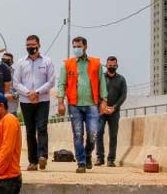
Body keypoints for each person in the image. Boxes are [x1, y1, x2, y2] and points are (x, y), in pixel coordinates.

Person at [57, 37, 107, 173]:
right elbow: (61, 84)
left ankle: (87, 153)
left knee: (93, 134)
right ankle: (81, 162)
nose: (76, 49)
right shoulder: (67, 64)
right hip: (74, 105)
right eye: (74, 46)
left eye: (78, 46)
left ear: (85, 47)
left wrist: (104, 101)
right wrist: (60, 102)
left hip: (92, 105)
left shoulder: (96, 63)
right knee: (78, 134)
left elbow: (102, 83)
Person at [13, 35, 56, 171]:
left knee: (42, 127)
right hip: (26, 101)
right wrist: (28, 93)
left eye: (33, 45)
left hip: (42, 100)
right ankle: (32, 161)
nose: (30, 47)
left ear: (39, 45)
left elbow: (51, 81)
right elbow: (16, 83)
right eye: (28, 45)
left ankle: (42, 156)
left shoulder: (47, 61)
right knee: (30, 131)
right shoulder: (21, 63)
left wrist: (37, 92)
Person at [95, 56, 127, 167]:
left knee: (113, 135)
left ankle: (111, 159)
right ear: (106, 65)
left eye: (114, 66)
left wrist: (114, 107)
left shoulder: (121, 79)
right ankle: (100, 158)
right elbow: (96, 93)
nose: (112, 67)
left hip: (114, 112)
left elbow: (123, 95)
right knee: (99, 132)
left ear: (117, 66)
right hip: (101, 111)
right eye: (110, 65)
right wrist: (102, 106)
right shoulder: (101, 78)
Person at [0, 53, 20, 117]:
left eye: (7, 60)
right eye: (3, 60)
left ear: (12, 62)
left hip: (11, 109)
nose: (4, 62)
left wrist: (13, 96)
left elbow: (21, 90)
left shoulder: (16, 74)